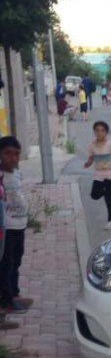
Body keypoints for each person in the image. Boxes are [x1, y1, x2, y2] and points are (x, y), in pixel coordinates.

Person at [0, 136, 31, 317]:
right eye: (7, 154)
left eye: (16, 154)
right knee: (6, 263)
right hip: (6, 228)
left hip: (20, 225)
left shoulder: (17, 173)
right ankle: (7, 299)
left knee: (17, 259)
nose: (12, 158)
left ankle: (14, 291)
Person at [84, 121, 111, 227]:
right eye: (97, 130)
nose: (99, 133)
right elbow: (91, 158)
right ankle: (104, 192)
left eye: (102, 130)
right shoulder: (92, 145)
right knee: (94, 195)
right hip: (98, 174)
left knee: (109, 198)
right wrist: (88, 164)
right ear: (94, 132)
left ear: (106, 132)